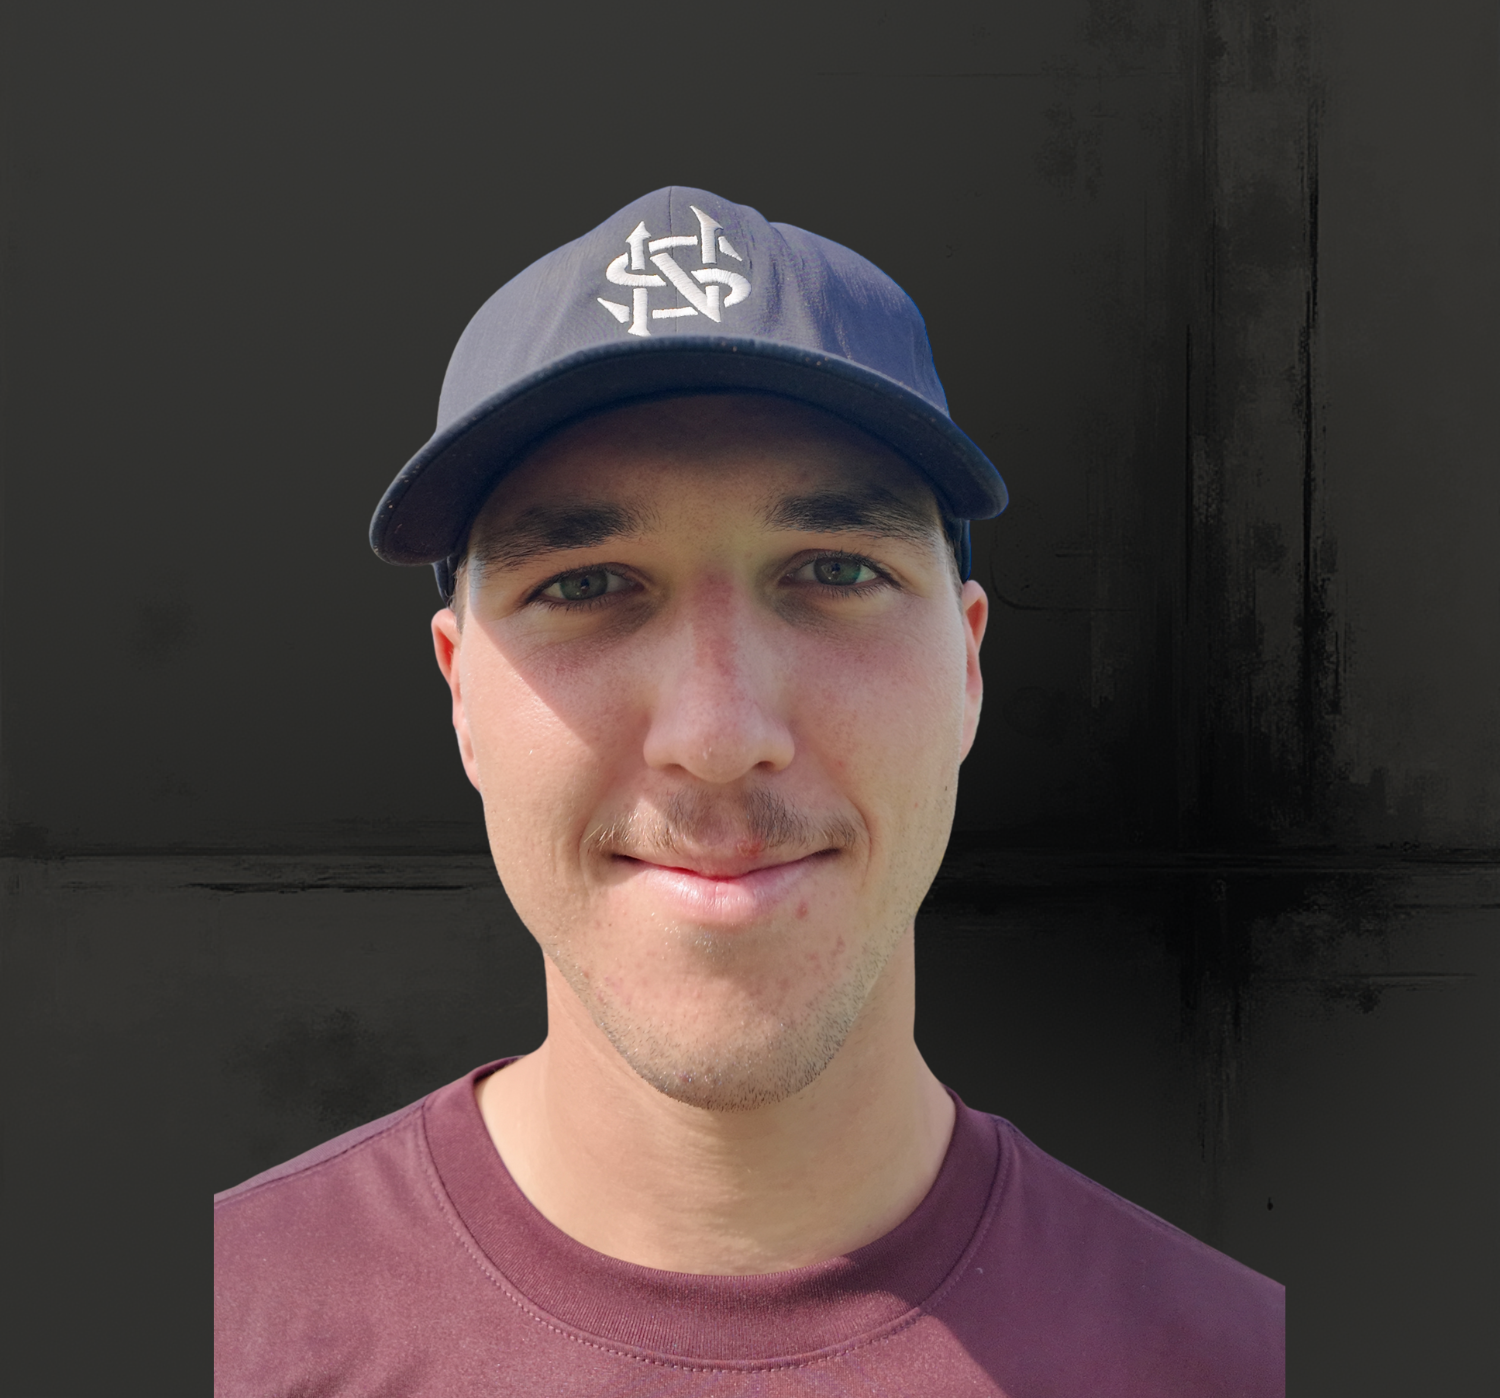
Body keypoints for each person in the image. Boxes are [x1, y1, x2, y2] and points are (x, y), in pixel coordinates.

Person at [214, 186, 1285, 1395]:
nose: (718, 735)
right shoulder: (217, 1333)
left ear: (968, 670)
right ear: (461, 691)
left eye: (834, 570)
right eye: (585, 584)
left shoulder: (1239, 1360)